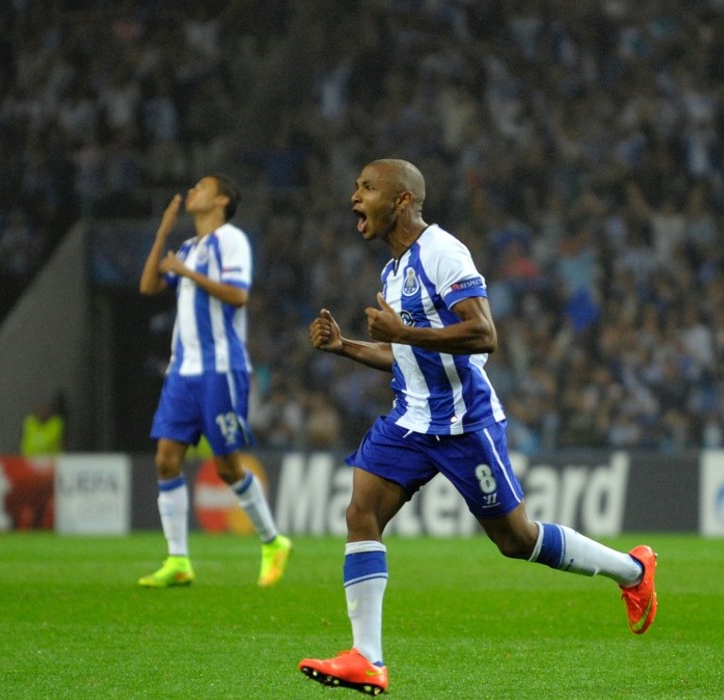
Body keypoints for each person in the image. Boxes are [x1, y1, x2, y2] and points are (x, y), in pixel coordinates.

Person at [298, 159, 657, 695]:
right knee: (361, 512)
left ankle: (632, 571)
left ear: (401, 201)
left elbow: (483, 334)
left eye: (367, 187)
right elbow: (406, 356)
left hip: (464, 423)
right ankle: (366, 659)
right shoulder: (393, 272)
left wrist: (406, 332)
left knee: (516, 540)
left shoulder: (444, 252)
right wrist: (345, 346)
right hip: (410, 418)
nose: (355, 197)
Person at [136, 174, 291, 588]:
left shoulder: (231, 240)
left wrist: (186, 271)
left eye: (201, 187)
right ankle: (178, 560)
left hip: (221, 368)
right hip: (182, 371)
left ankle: (273, 541)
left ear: (221, 198)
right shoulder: (188, 247)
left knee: (226, 465)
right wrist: (164, 232)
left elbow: (238, 295)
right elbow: (149, 284)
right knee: (166, 458)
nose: (192, 191)